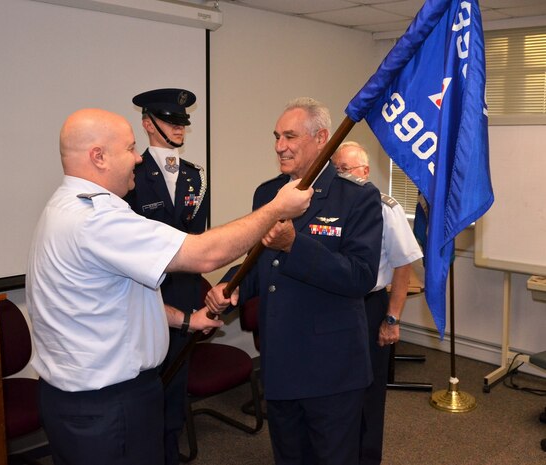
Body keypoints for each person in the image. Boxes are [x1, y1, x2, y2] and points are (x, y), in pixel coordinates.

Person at [25, 108, 313, 465]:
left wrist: (184, 320)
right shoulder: (95, 219)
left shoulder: (65, 207)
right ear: (98, 157)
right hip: (107, 405)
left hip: (86, 400)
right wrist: (275, 209)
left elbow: (114, 300)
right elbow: (205, 254)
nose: (137, 158)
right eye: (130, 148)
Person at [205, 98, 383, 465]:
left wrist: (295, 246)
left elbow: (360, 277)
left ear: (321, 138)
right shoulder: (268, 193)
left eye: (289, 136)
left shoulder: (358, 198)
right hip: (280, 360)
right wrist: (233, 285)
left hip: (331, 370)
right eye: (276, 136)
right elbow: (259, 261)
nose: (279, 146)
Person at [124, 88, 208, 465]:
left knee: (175, 387)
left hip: (186, 295)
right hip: (145, 295)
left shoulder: (194, 177)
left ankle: (171, 454)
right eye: (171, 121)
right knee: (145, 390)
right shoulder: (131, 177)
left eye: (182, 123)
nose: (179, 128)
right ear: (148, 124)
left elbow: (196, 241)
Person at [332, 141, 423, 465]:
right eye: (335, 170)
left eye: (345, 170)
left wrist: (392, 319)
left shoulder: (386, 208)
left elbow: (403, 263)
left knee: (370, 392)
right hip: (332, 307)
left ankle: (366, 457)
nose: (339, 176)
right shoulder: (327, 205)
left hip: (368, 307)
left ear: (365, 172)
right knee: (333, 389)